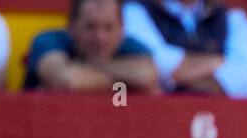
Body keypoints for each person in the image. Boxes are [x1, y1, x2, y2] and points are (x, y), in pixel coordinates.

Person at [120, 0, 247, 95]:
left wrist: (175, 77)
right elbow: (155, 65)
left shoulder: (231, 18)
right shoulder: (135, 11)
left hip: (222, 121)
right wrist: (221, 62)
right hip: (159, 119)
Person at [23, 0, 158, 93]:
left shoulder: (130, 45)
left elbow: (147, 75)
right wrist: (125, 83)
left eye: (108, 28)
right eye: (90, 27)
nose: (100, 37)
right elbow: (64, 80)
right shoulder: (48, 40)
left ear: (121, 29)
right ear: (71, 26)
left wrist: (84, 71)